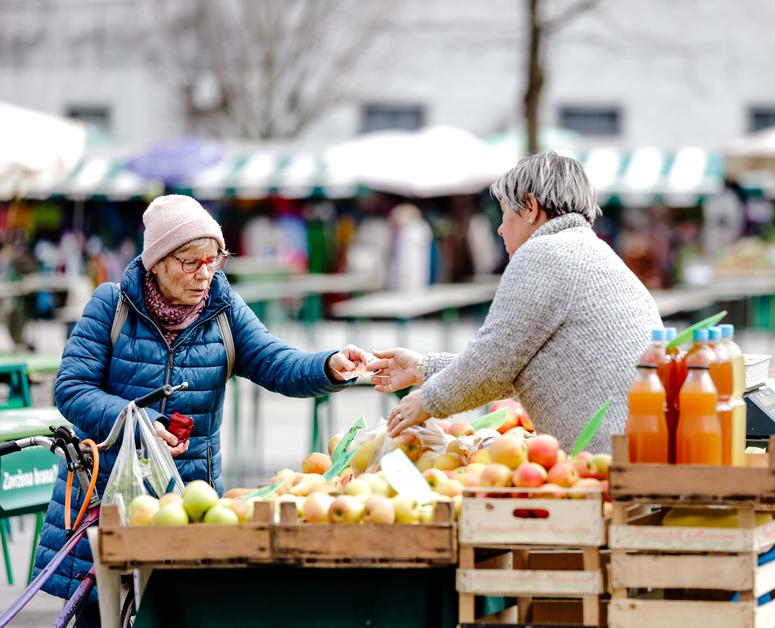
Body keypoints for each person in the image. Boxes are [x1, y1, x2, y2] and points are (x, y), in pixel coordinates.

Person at [34, 195, 368, 625]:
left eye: (214, 259)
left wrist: (329, 365)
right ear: (156, 261)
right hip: (107, 497)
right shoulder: (111, 305)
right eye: (191, 262)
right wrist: (139, 425)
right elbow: (72, 388)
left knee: (178, 615)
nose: (205, 273)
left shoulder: (224, 310)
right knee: (102, 614)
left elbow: (276, 361)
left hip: (189, 498)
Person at [370, 152, 662, 453]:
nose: (500, 229)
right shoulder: (592, 252)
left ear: (531, 208)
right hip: (638, 451)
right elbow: (515, 363)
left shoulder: (544, 253)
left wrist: (427, 400)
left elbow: (495, 360)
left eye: (505, 212)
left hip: (607, 461)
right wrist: (423, 367)